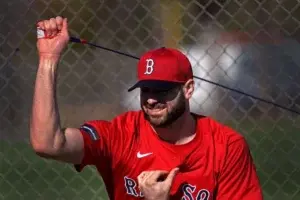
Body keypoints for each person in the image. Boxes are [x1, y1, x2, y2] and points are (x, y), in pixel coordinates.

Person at [30, 16, 263, 200]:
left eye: (162, 90)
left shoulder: (226, 148)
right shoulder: (122, 134)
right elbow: (47, 144)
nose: (151, 100)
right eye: (146, 89)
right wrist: (49, 58)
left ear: (188, 89)